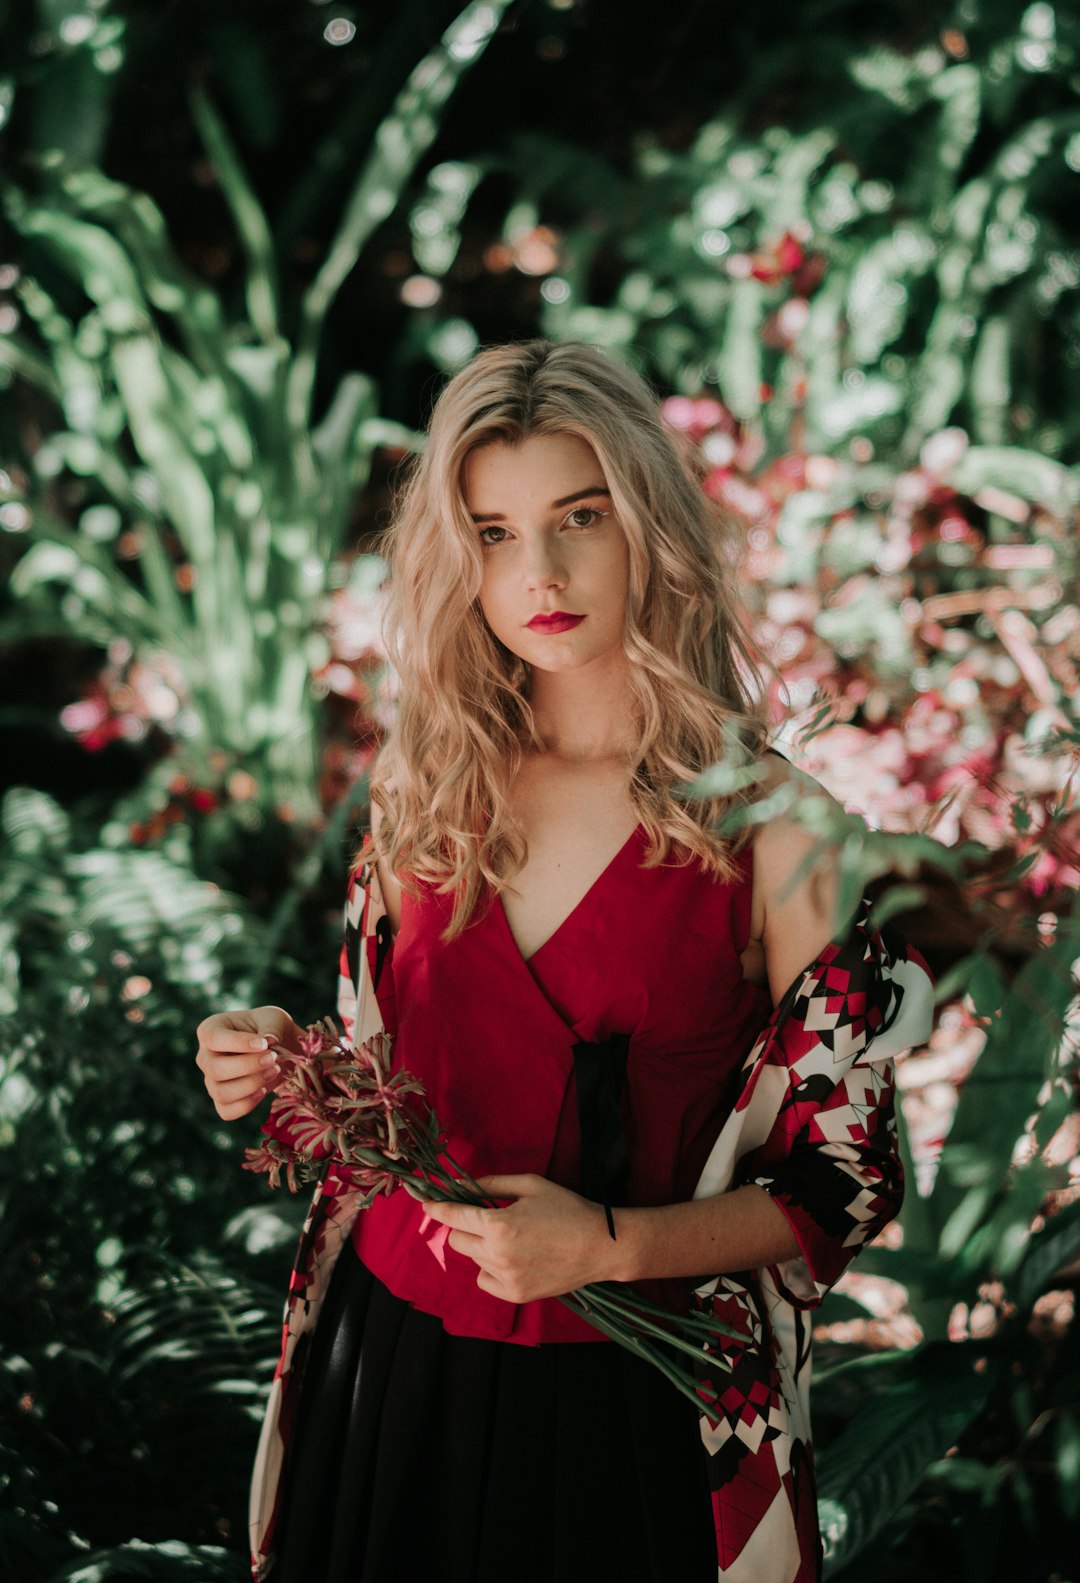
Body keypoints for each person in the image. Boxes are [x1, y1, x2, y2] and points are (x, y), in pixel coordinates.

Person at [196, 340, 932, 1583]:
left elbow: (847, 1185)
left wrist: (605, 1244)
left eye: (578, 517)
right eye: (492, 532)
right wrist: (275, 1059)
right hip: (385, 1371)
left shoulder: (784, 834)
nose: (538, 571)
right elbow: (379, 1078)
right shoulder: (425, 784)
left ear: (647, 520)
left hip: (632, 1411)